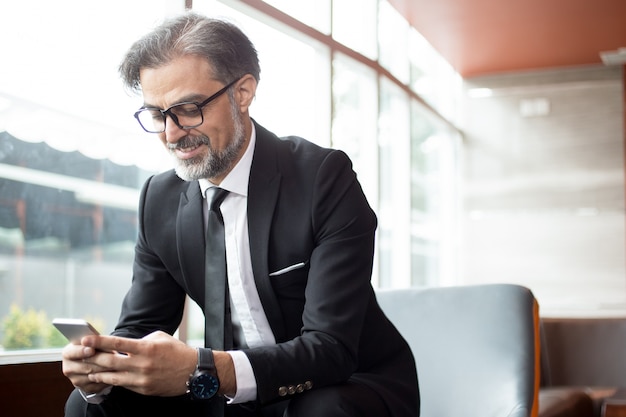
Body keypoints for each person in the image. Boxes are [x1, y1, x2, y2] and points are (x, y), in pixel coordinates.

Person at [61, 11, 419, 417]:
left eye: (188, 108)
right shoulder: (158, 198)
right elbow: (139, 328)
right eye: (158, 115)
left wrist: (204, 366)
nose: (172, 133)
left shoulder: (323, 178)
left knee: (321, 410)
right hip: (221, 391)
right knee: (94, 404)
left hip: (348, 383)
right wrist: (104, 363)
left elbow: (331, 348)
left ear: (243, 92)